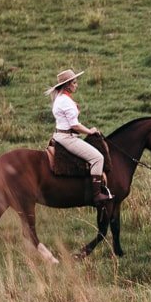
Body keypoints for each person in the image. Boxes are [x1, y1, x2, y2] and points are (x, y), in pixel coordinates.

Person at [46, 68, 112, 202]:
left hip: (60, 135)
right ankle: (96, 195)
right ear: (68, 85)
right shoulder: (66, 101)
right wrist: (90, 131)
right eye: (74, 83)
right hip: (67, 138)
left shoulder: (60, 98)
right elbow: (75, 125)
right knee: (98, 158)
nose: (77, 85)